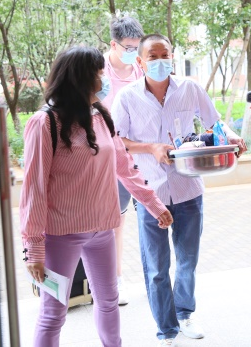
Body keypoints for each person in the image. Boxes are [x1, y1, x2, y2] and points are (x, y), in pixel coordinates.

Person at [19, 46, 173, 347]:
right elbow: (33, 189)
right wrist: (32, 249)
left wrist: (154, 205)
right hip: (61, 234)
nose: (105, 80)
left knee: (109, 301)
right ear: (80, 79)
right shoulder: (45, 123)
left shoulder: (101, 116)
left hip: (103, 229)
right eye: (99, 74)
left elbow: (126, 168)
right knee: (53, 312)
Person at [111, 33, 247, 347]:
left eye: (165, 55)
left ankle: (185, 313)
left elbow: (214, 123)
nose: (161, 61)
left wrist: (231, 137)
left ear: (172, 57)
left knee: (188, 259)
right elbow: (118, 140)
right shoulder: (127, 97)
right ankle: (166, 329)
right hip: (150, 193)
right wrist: (150, 147)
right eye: (153, 56)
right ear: (141, 61)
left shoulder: (190, 88)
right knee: (157, 267)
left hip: (188, 189)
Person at [101, 16, 146, 306]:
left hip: (139, 151)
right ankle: (113, 281)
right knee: (113, 220)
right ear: (113, 44)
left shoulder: (140, 68)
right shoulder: (99, 70)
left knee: (148, 216)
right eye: (127, 47)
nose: (132, 52)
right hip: (107, 154)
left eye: (135, 47)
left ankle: (151, 278)